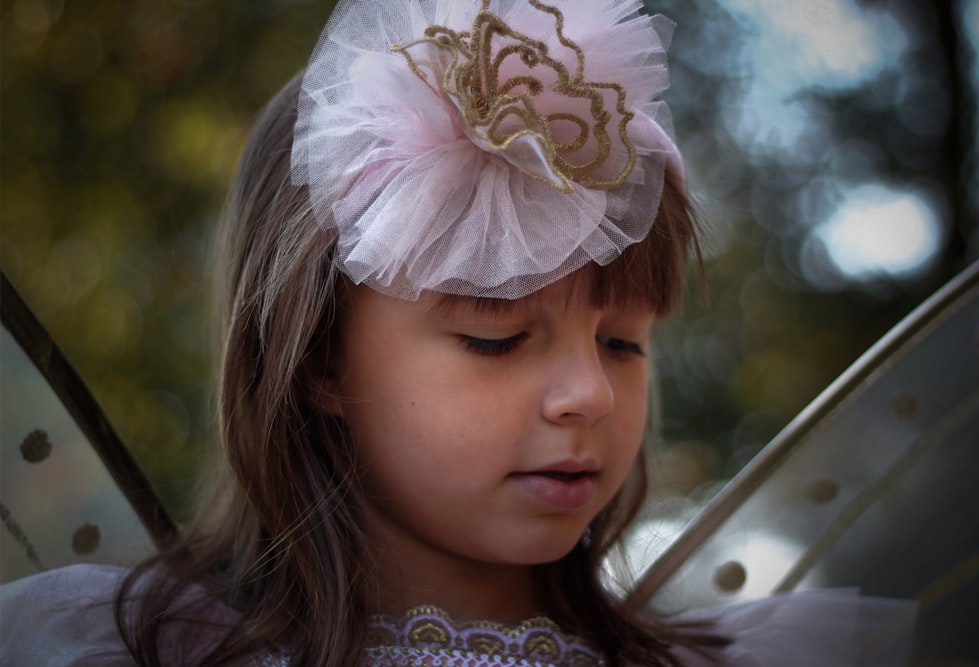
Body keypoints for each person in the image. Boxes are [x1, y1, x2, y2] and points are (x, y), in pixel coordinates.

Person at [0, 1, 916, 665]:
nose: (591, 394)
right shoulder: (135, 650)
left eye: (623, 341)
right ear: (317, 353)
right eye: (499, 337)